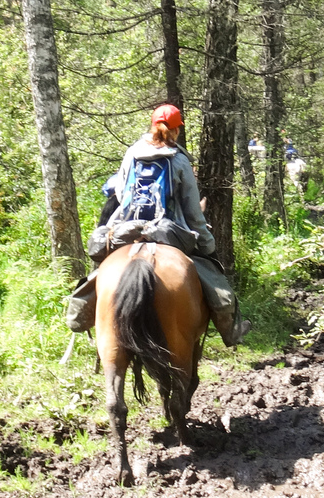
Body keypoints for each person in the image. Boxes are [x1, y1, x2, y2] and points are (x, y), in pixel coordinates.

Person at [65, 104, 250, 347]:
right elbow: (193, 211)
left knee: (102, 268)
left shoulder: (132, 153)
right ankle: (231, 330)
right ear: (177, 130)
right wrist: (207, 244)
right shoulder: (180, 160)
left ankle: (80, 316)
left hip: (127, 230)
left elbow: (120, 193)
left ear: (153, 125)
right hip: (168, 232)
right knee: (213, 277)